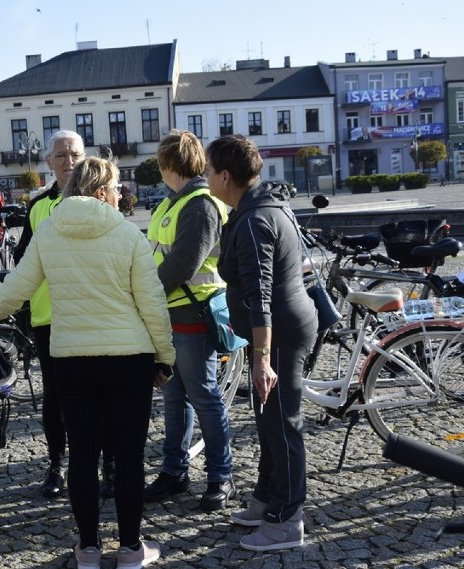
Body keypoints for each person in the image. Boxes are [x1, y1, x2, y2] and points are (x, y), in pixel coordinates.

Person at [0, 156, 173, 568]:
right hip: (129, 359)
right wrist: (165, 357)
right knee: (128, 456)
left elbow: (17, 287)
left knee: (83, 455)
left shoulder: (48, 230)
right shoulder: (127, 233)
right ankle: (130, 549)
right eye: (118, 187)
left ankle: (86, 548)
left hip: (72, 360)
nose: (121, 195)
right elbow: (153, 305)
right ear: (102, 191)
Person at [206, 134, 316, 551]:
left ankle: (288, 519)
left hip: (279, 332)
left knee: (283, 423)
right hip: (279, 328)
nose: (205, 177)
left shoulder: (254, 220)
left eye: (208, 171)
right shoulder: (259, 206)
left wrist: (262, 358)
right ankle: (267, 500)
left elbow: (261, 296)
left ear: (226, 175)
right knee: (268, 417)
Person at [144, 130, 235, 510]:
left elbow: (182, 264)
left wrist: (144, 293)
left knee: (204, 397)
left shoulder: (199, 204)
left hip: (193, 315)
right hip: (172, 315)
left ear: (168, 165)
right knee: (174, 397)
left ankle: (220, 476)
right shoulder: (175, 202)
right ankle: (174, 472)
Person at [11, 130, 84, 499]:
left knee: (92, 395)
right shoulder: (38, 206)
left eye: (74, 154)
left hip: (91, 315)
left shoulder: (97, 200)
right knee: (55, 396)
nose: (68, 161)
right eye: (61, 155)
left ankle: (103, 464)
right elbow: (22, 259)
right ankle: (56, 464)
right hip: (49, 318)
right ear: (48, 162)